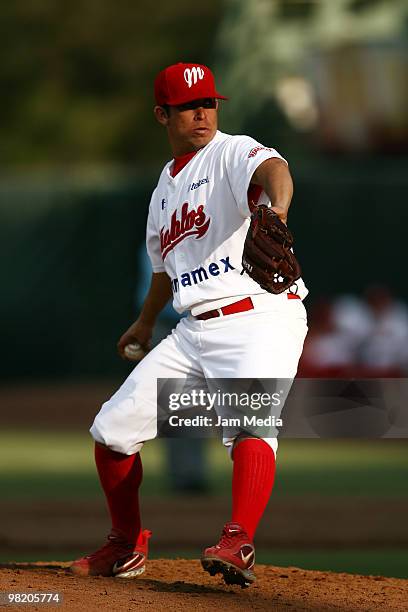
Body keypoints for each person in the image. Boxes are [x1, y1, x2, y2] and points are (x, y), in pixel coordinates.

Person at [70, 62, 308, 587]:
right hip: (191, 329)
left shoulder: (231, 151)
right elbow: (163, 269)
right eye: (187, 106)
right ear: (163, 114)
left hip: (259, 314)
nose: (201, 113)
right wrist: (144, 321)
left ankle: (239, 539)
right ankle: (126, 544)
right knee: (112, 431)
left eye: (208, 104)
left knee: (250, 423)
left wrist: (279, 213)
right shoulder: (164, 188)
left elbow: (275, 171)